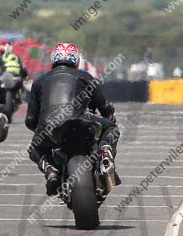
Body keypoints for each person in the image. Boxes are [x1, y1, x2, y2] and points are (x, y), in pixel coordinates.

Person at [25, 42, 119, 196]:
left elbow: (30, 120)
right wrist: (108, 118)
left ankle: (51, 171)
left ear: (53, 59)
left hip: (49, 128)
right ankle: (105, 151)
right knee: (111, 127)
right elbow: (105, 106)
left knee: (34, 148)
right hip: (81, 121)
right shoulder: (86, 76)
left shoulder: (38, 82)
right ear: (76, 60)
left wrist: (41, 128)